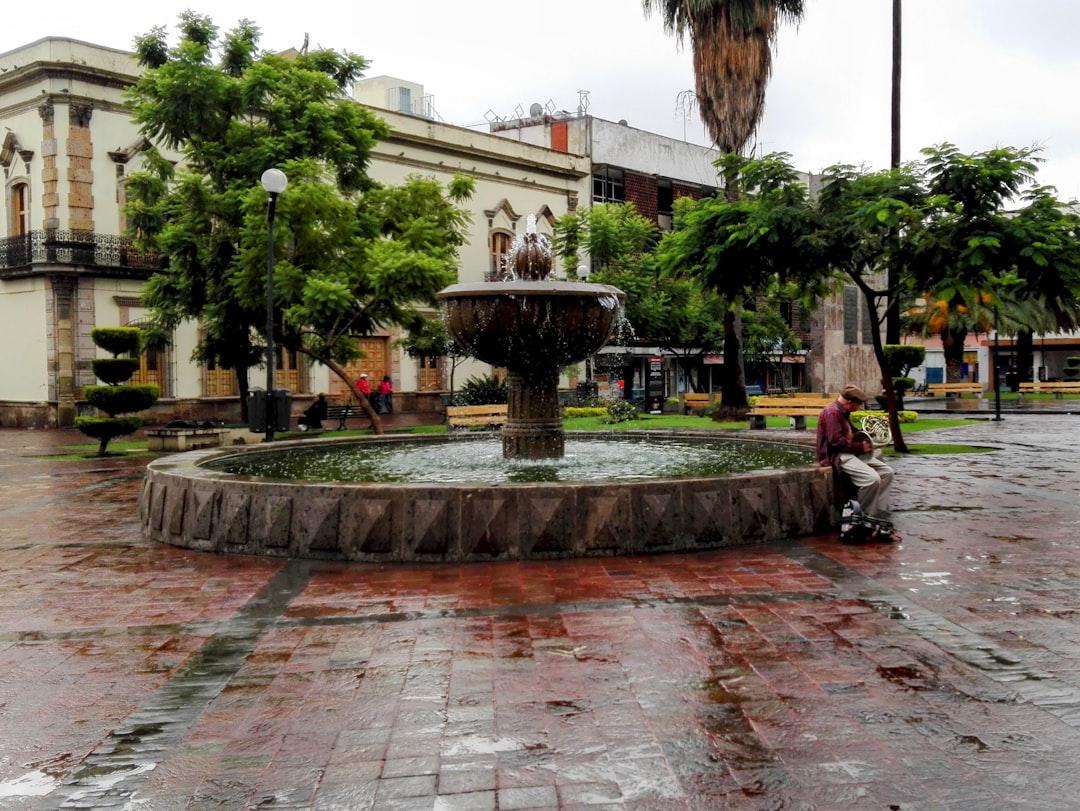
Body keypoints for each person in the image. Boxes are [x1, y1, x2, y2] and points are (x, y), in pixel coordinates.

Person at [816, 384, 895, 516]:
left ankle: (879, 512)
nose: (858, 408)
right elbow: (835, 442)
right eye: (858, 405)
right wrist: (860, 447)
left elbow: (854, 435)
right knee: (872, 479)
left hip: (849, 453)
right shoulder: (832, 412)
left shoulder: (843, 412)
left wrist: (875, 430)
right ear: (849, 402)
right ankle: (862, 516)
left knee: (888, 472)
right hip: (837, 455)